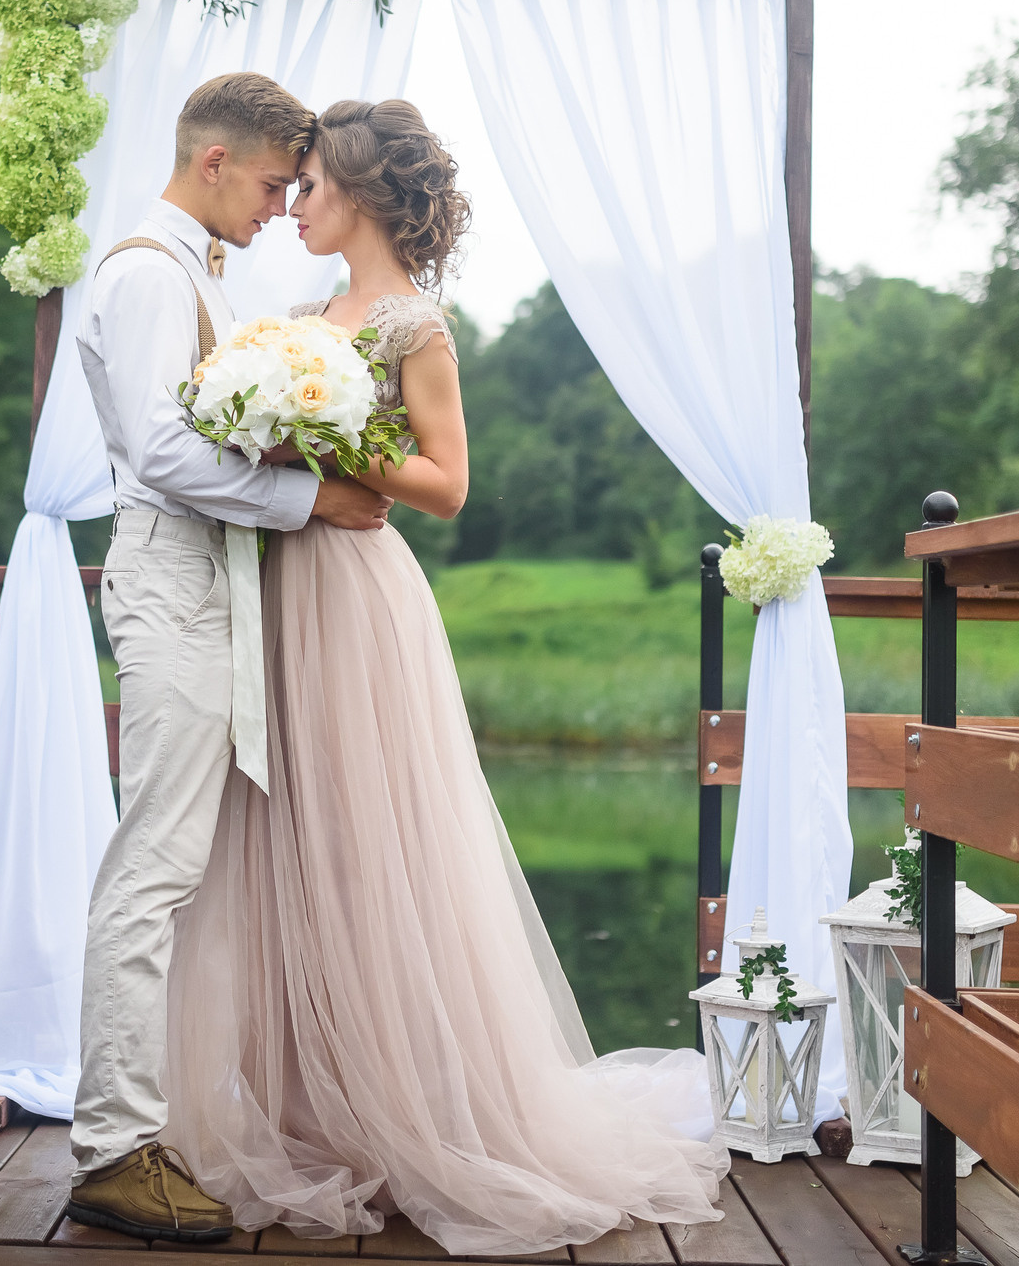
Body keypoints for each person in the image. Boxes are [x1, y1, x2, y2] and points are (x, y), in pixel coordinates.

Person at [160, 99, 729, 1254]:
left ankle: (412, 1118)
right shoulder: (298, 321)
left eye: (311, 185)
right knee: (280, 841)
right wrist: (267, 424)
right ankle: (306, 1115)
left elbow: (447, 481)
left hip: (357, 602)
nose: (295, 203)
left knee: (368, 847)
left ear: (360, 194)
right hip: (277, 590)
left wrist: (329, 434)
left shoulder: (415, 325)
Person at [67, 72, 395, 1245]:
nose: (275, 207)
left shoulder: (190, 270)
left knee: (185, 864)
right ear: (212, 161)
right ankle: (113, 1148)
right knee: (154, 865)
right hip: (169, 578)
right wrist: (311, 498)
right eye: (268, 183)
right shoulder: (149, 275)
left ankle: (175, 1117)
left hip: (208, 578)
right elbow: (161, 451)